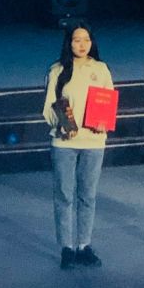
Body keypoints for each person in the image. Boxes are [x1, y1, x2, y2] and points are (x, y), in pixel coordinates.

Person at [42, 24, 114, 268]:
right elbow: (49, 107)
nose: (82, 45)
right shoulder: (57, 70)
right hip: (64, 142)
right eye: (76, 40)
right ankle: (66, 247)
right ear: (69, 43)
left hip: (94, 141)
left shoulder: (100, 69)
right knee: (64, 194)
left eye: (86, 39)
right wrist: (61, 125)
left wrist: (104, 122)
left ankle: (84, 245)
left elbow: (108, 101)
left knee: (88, 195)